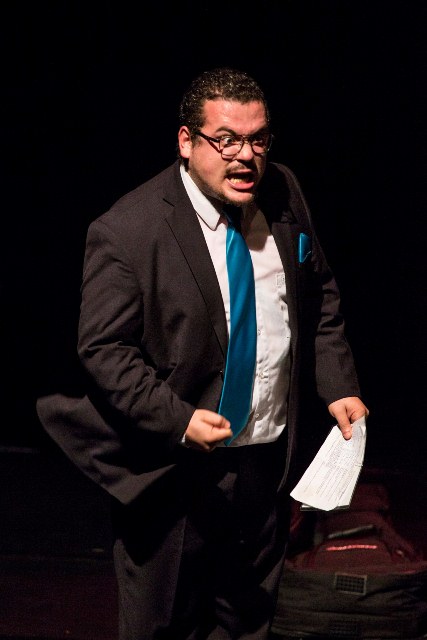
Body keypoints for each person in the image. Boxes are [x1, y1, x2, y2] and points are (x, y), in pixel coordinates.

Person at [37, 67, 369, 640]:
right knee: (166, 626)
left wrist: (338, 383)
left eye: (258, 139)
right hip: (175, 476)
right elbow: (104, 349)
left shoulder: (283, 190)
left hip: (265, 463)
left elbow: (319, 296)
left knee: (246, 624)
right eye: (226, 140)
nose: (246, 157)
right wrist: (178, 419)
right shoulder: (130, 230)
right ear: (186, 141)